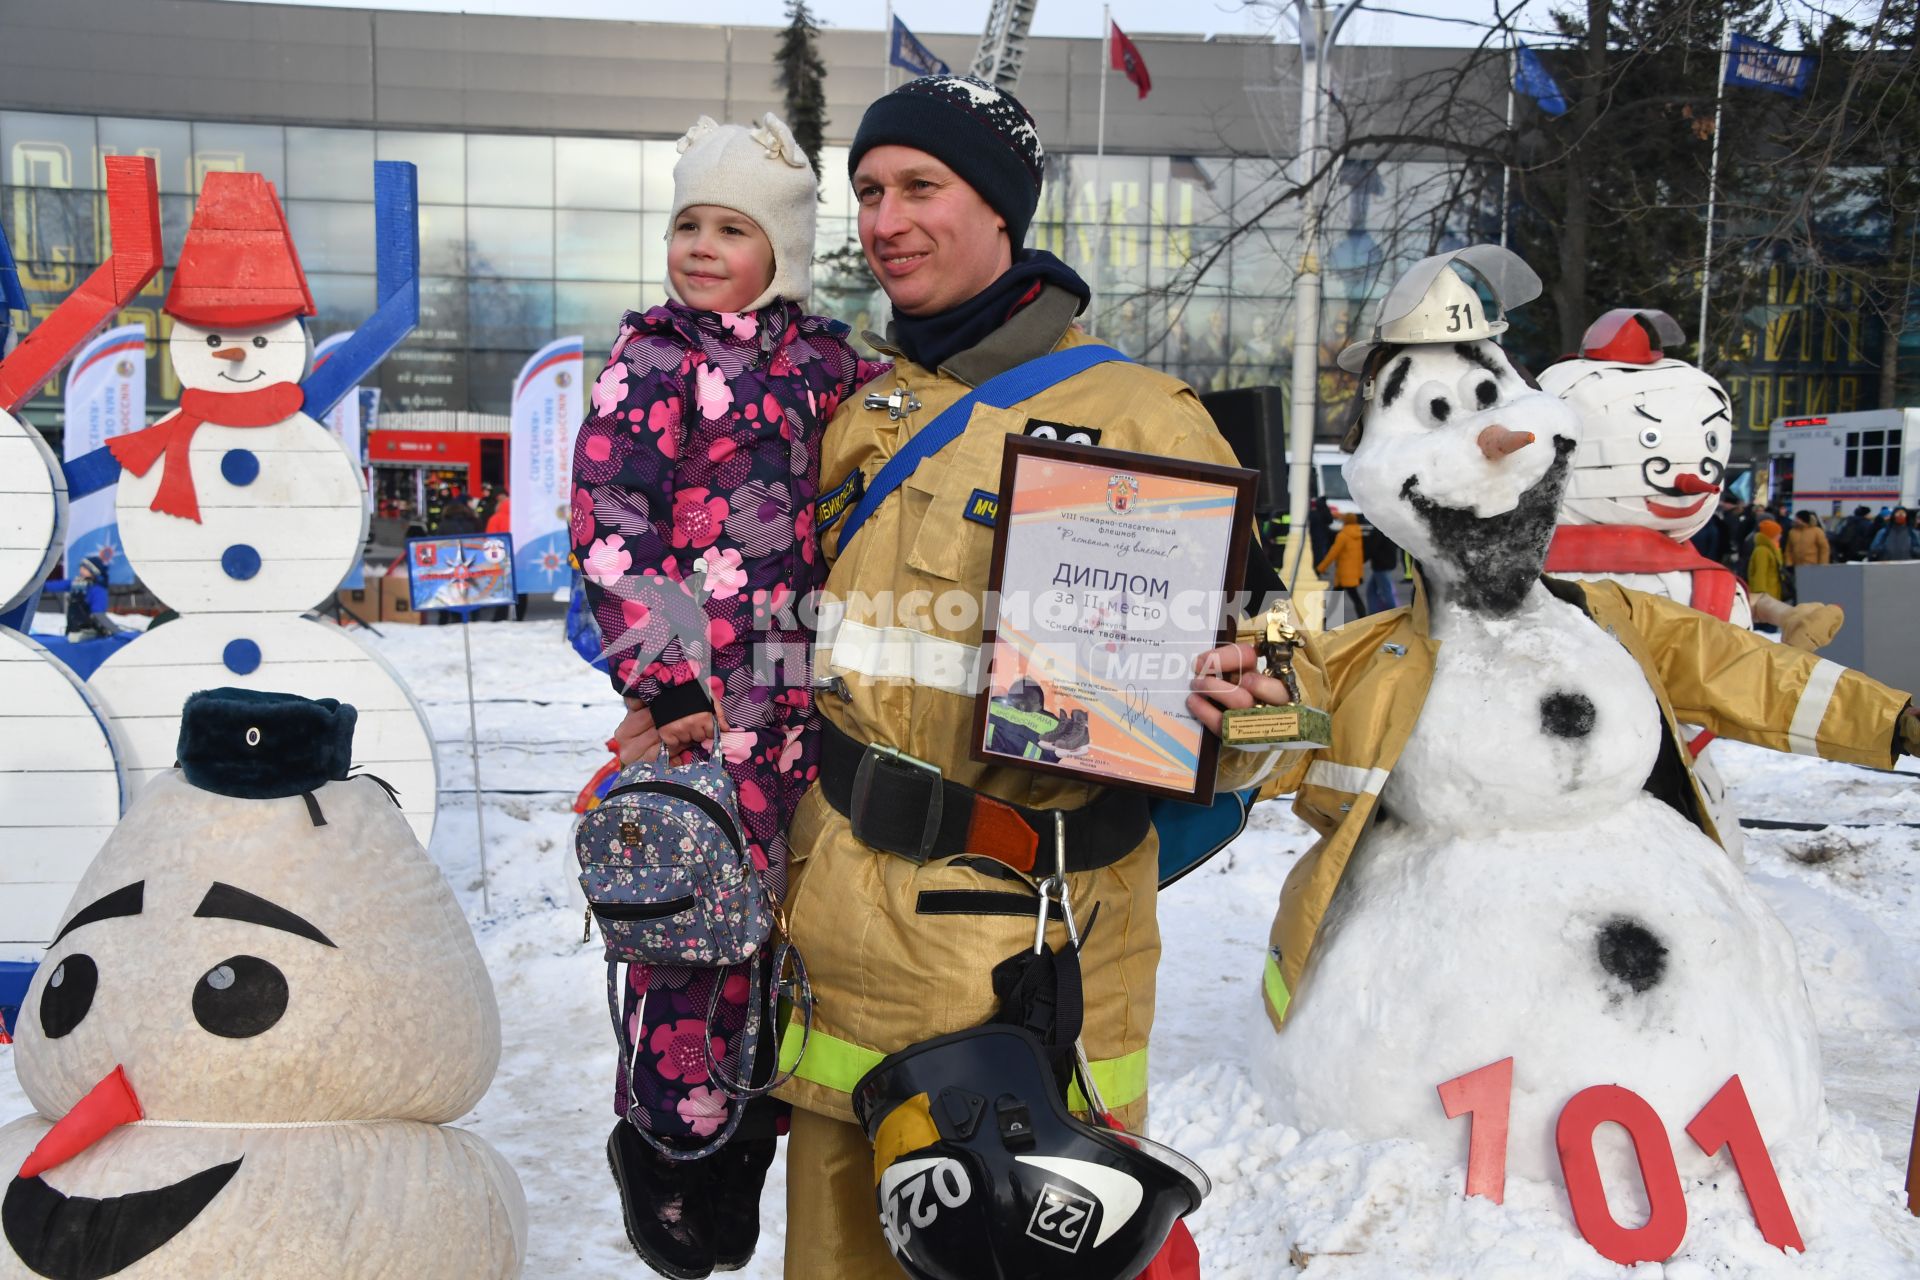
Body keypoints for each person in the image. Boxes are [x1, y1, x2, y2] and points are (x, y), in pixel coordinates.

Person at [613, 76, 1295, 1278]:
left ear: (1001, 210)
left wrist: (1242, 702)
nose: (885, 220)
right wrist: (667, 688)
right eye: (870, 192)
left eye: (921, 186)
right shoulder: (852, 406)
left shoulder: (1147, 419)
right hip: (833, 936)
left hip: (1018, 965)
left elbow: (1276, 678)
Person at [573, 112, 885, 1280]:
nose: (702, 246)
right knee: (693, 924)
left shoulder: (830, 363)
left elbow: (919, 428)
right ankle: (670, 1144)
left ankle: (750, 1126)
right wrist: (660, 675)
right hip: (705, 700)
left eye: (733, 228)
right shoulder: (654, 355)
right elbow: (611, 522)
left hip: (809, 689)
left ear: (786, 252)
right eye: (688, 223)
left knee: (789, 926)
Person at [1317, 515, 1367, 619]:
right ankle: (1326, 619)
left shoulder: (1343, 535)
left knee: (1348, 597)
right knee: (1341, 597)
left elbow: (1333, 553)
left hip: (1344, 573)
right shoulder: (1358, 535)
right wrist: (1360, 575)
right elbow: (1359, 558)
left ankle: (1363, 618)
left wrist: (1320, 568)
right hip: (1351, 574)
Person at [1748, 517, 1785, 619]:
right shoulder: (1763, 551)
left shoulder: (1772, 549)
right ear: (1771, 535)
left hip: (1771, 593)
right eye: (1778, 533)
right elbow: (1760, 573)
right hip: (1766, 595)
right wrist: (1761, 595)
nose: (1780, 536)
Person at [1363, 520, 1401, 614]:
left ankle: (1394, 614)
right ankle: (1373, 613)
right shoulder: (1388, 530)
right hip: (1385, 564)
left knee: (1386, 592)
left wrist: (1363, 558)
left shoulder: (1378, 531)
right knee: (1372, 591)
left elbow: (1371, 547)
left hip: (1381, 565)